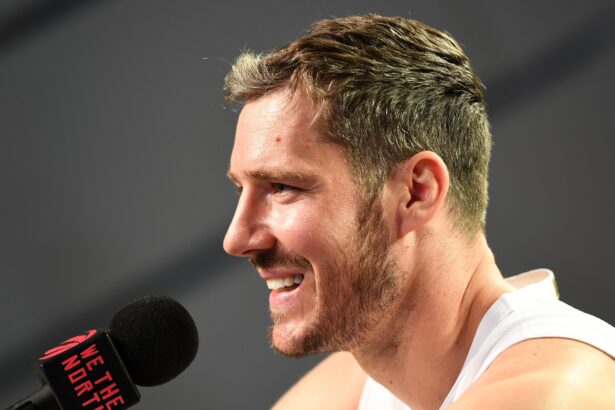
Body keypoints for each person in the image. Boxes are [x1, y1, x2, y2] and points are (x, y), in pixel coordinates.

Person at [222, 14, 615, 409]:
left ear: (416, 192)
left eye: (282, 187)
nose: (236, 239)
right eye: (241, 189)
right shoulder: (363, 376)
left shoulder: (554, 385)